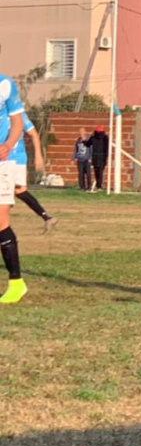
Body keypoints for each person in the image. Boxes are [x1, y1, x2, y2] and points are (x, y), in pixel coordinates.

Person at [0, 73, 28, 303]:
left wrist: (8, 144)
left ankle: (16, 283)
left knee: (0, 220)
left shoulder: (5, 84)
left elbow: (18, 123)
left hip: (3, 162)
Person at [12, 114, 58, 233]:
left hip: (15, 159)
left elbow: (33, 133)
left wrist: (38, 155)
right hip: (5, 159)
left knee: (18, 190)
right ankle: (47, 218)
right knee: (18, 191)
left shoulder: (18, 113)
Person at [86, 124, 110, 191]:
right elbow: (107, 148)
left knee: (96, 171)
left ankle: (98, 185)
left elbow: (87, 144)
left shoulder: (93, 137)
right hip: (102, 156)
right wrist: (106, 157)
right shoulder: (105, 138)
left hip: (95, 156)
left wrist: (84, 140)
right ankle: (100, 185)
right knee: (101, 171)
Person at [74, 127, 93, 192]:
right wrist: (75, 157)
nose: (81, 133)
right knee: (81, 173)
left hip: (87, 159)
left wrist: (90, 158)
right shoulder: (78, 141)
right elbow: (76, 149)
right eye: (80, 132)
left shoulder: (88, 140)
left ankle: (89, 187)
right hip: (80, 159)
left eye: (82, 131)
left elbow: (91, 149)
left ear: (85, 132)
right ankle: (82, 187)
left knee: (88, 173)